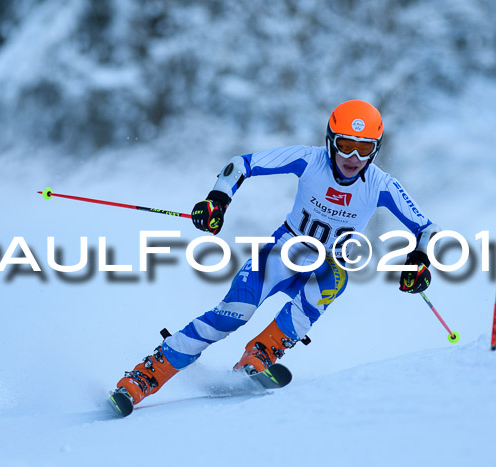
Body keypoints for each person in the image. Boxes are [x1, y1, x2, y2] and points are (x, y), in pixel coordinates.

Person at [113, 100, 440, 409]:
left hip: (326, 264)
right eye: (345, 145)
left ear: (376, 149)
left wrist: (419, 261)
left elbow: (426, 229)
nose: (353, 156)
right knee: (232, 315)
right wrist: (217, 200)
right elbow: (242, 164)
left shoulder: (381, 185)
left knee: (336, 278)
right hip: (282, 252)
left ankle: (257, 357)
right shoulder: (309, 159)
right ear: (330, 141)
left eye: (365, 148)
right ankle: (144, 376)